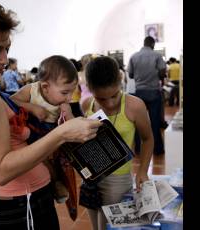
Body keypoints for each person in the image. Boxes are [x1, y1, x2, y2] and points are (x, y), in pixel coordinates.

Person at [0, 1, 102, 229]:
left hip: (13, 202)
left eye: (6, 48)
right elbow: (0, 170)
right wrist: (62, 134)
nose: (5, 59)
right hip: (21, 206)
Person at [81, 56, 153, 230]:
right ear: (90, 89)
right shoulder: (86, 105)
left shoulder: (134, 106)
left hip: (118, 178)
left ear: (121, 81)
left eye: (114, 95)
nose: (110, 103)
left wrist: (142, 171)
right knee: (96, 226)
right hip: (91, 177)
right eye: (102, 99)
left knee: (110, 226)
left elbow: (147, 138)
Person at [10, 55, 78, 204]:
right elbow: (11, 100)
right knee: (42, 161)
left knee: (59, 162)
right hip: (32, 135)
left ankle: (59, 184)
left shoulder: (64, 103)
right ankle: (54, 184)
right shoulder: (31, 90)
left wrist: (69, 114)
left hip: (53, 136)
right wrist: (32, 107)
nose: (69, 98)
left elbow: (71, 125)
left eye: (72, 92)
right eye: (65, 93)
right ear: (45, 87)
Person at [127, 36, 167, 155]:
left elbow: (130, 75)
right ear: (153, 44)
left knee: (139, 122)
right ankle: (157, 149)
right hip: (154, 92)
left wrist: (140, 77)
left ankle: (139, 149)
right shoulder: (157, 56)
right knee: (155, 122)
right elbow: (162, 72)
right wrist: (155, 77)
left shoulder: (134, 56)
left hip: (139, 93)